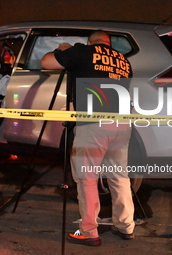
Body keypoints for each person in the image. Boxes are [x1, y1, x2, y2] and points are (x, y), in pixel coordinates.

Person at [41, 31, 135, 246]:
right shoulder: (123, 60)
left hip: (93, 125)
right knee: (119, 176)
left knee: (87, 178)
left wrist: (63, 50)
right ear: (108, 44)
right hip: (121, 124)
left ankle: (89, 232)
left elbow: (46, 62)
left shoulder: (83, 52)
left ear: (89, 42)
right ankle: (126, 225)